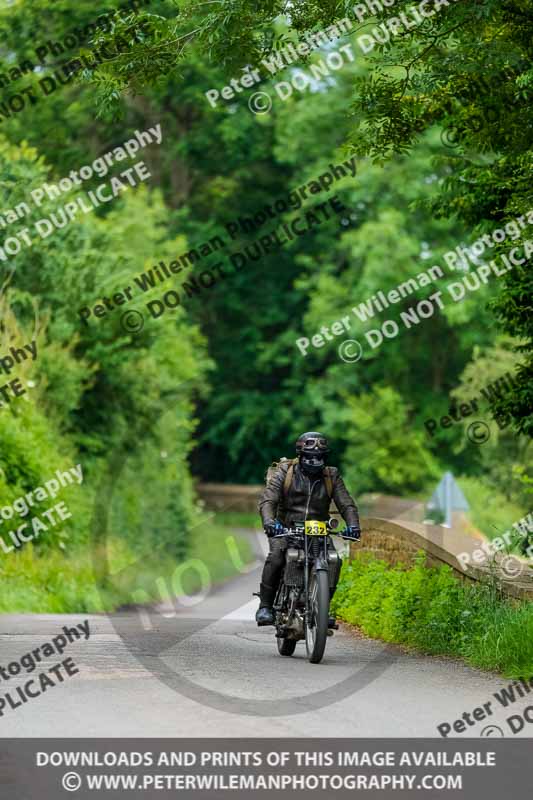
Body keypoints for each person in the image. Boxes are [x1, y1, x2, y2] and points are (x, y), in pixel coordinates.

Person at [255, 431, 361, 626]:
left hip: (319, 530)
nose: (315, 461)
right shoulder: (285, 471)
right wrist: (270, 523)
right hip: (286, 527)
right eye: (311, 457)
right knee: (277, 556)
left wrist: (353, 525)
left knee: (334, 560)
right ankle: (265, 606)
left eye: (319, 457)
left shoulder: (332, 475)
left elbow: (346, 504)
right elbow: (268, 500)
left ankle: (322, 609)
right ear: (301, 455)